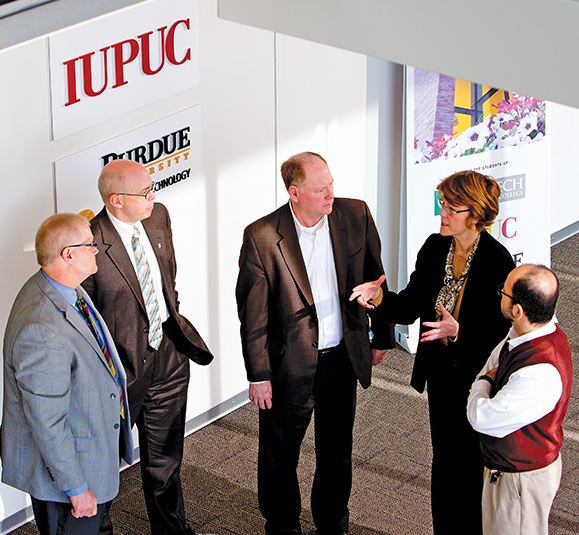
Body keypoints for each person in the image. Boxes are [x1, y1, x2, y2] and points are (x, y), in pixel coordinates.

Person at [235, 151, 395, 535]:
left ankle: (332, 524)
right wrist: (258, 375)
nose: (331, 193)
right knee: (279, 456)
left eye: (332, 183)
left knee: (336, 454)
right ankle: (283, 525)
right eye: (321, 188)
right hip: (288, 367)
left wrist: (382, 335)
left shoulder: (354, 215)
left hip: (342, 359)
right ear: (294, 192)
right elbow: (253, 315)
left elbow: (377, 278)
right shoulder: (261, 237)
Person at [351, 170, 515, 535]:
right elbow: (409, 306)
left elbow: (501, 332)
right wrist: (376, 298)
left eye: (451, 208)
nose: (442, 213)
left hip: (475, 377)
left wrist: (460, 332)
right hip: (440, 374)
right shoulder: (435, 246)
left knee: (471, 461)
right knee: (444, 460)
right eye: (442, 204)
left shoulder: (497, 261)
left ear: (474, 213)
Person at [82, 159, 214, 535]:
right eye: (144, 193)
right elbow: (88, 321)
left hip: (169, 361)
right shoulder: (90, 242)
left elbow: (166, 278)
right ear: (116, 200)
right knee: (103, 472)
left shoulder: (158, 219)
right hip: (120, 376)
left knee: (165, 464)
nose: (153, 197)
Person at [1, 213, 133, 535]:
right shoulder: (41, 328)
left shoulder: (63, 289)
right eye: (90, 245)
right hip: (67, 481)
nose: (97, 250)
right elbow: (48, 423)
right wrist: (76, 489)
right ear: (68, 254)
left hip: (87, 455)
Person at [467, 264, 571, 535]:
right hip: (512, 472)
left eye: (503, 291)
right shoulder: (530, 330)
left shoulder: (539, 374)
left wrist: (483, 382)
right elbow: (496, 358)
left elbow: (480, 416)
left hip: (519, 481)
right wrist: (489, 377)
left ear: (518, 311)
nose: (499, 294)